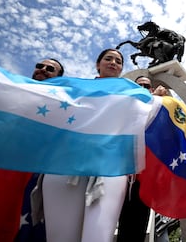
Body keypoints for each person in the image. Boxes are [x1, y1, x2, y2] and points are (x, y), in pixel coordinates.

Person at [40, 49, 128, 242]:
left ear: (121, 69)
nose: (113, 62)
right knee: (61, 237)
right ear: (98, 65)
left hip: (109, 169)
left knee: (98, 237)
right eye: (108, 59)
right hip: (66, 166)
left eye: (118, 61)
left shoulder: (132, 96)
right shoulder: (75, 90)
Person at [0, 58, 64, 242]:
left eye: (50, 69)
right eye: (39, 66)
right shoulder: (10, 92)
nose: (42, 69)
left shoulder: (62, 105)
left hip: (34, 175)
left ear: (58, 77)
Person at [117, 75, 167, 242]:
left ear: (151, 90)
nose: (143, 88)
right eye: (139, 85)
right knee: (121, 226)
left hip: (144, 179)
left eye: (147, 86)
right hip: (121, 177)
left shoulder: (158, 109)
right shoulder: (124, 109)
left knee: (139, 226)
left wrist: (161, 100)